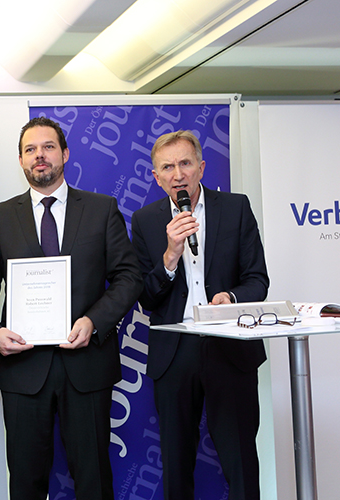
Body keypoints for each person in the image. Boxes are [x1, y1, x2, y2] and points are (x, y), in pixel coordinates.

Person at [0, 117, 143, 500]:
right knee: (27, 482)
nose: (39, 156)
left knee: (93, 478)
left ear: (65, 153)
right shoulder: (0, 217)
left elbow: (129, 277)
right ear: (21, 161)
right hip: (23, 370)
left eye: (47, 147)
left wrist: (94, 321)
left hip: (87, 365)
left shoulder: (101, 209)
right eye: (30, 150)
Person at [131, 130, 269, 500]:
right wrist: (170, 256)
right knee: (176, 465)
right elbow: (146, 296)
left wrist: (232, 297)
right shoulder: (144, 221)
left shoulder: (236, 207)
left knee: (240, 461)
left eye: (185, 163)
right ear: (156, 176)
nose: (178, 174)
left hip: (231, 348)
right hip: (174, 354)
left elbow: (258, 279)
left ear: (201, 168)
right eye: (168, 167)